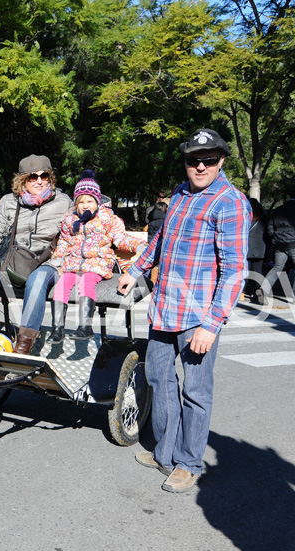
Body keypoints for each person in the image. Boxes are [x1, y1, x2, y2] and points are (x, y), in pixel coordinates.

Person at [117, 128, 250, 493]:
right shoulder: (179, 192)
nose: (201, 166)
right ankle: (165, 451)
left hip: (198, 317)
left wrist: (213, 323)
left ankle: (189, 462)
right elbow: (160, 239)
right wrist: (136, 269)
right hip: (165, 308)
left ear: (221, 160)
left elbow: (236, 271)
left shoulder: (229, 202)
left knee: (195, 391)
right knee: (159, 380)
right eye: (194, 160)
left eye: (208, 160)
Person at [0, 155, 71, 354]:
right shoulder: (9, 202)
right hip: (13, 263)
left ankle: (23, 346)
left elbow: (74, 237)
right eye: (33, 177)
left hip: (48, 263)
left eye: (45, 176)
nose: (40, 180)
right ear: (22, 180)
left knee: (38, 280)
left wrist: (62, 261)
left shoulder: (64, 202)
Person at [49, 173, 145, 343]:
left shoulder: (107, 219)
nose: (85, 206)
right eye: (81, 202)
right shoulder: (70, 220)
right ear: (76, 204)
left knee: (87, 282)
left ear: (97, 202)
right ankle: (57, 329)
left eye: (90, 201)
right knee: (62, 284)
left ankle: (85, 327)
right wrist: (56, 260)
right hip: (73, 264)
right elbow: (64, 242)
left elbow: (119, 238)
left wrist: (138, 245)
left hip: (97, 263)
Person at [263, 196, 295, 303]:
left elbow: (270, 227)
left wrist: (275, 238)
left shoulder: (277, 210)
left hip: (279, 243)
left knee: (277, 267)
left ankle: (264, 288)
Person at [244, 198, 268, 303]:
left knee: (245, 272)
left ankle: (242, 292)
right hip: (260, 247)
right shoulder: (264, 219)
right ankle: (261, 290)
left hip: (246, 247)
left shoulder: (245, 218)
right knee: (258, 271)